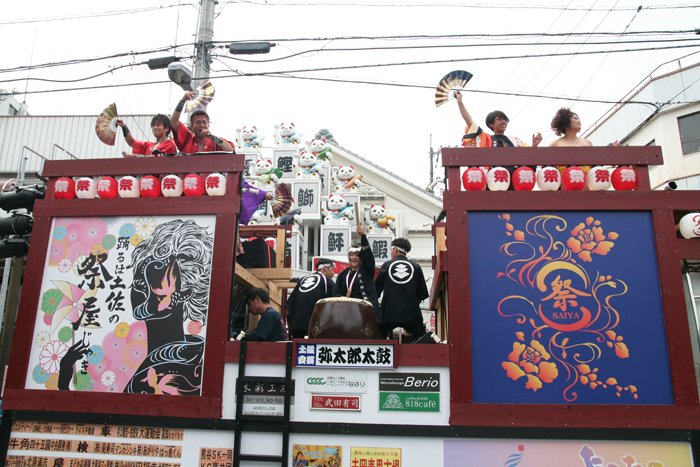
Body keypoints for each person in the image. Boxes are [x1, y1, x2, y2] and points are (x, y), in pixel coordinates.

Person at [375, 238, 429, 341]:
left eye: (391, 249)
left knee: (378, 337)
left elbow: (376, 291)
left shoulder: (386, 266)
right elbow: (421, 295)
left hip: (388, 313)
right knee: (422, 340)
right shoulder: (416, 267)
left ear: (395, 249)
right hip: (411, 313)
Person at [333, 225, 381, 331]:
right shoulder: (342, 275)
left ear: (361, 257)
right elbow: (336, 293)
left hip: (365, 312)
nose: (353, 257)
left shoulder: (367, 270)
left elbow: (368, 254)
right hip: (347, 314)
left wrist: (363, 236)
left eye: (356, 255)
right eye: (351, 255)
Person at [455, 90, 542, 148]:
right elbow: (469, 122)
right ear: (491, 124)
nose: (503, 122)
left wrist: (534, 146)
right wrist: (460, 102)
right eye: (499, 119)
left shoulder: (515, 140)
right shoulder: (487, 139)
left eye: (505, 119)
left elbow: (526, 157)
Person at [285, 258, 336, 339]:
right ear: (325, 268)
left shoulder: (303, 279)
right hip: (315, 323)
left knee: (297, 348)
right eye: (332, 270)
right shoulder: (327, 281)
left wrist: (289, 322)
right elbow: (332, 304)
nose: (334, 273)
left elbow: (288, 305)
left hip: (296, 323)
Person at [170, 91, 235, 153]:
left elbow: (231, 151)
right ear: (191, 126)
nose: (202, 125)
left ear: (208, 125)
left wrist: (212, 137)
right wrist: (183, 101)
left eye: (204, 122)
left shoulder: (215, 141)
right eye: (198, 122)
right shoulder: (187, 139)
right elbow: (173, 121)